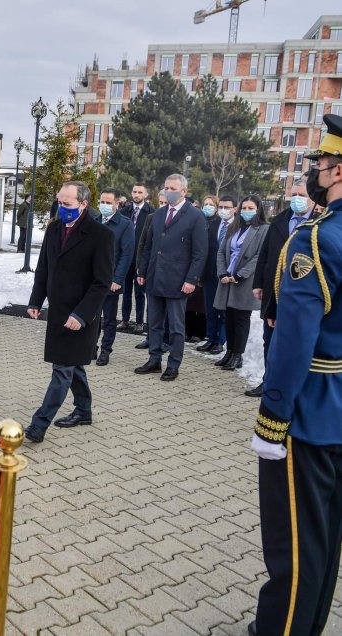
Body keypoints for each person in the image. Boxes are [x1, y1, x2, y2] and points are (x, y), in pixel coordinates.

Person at [249, 113, 342, 636]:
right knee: (326, 543)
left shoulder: (316, 239)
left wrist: (272, 416)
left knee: (295, 553)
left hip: (307, 411)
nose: (316, 174)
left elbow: (294, 339)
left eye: (324, 165)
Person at [23, 181, 114, 442]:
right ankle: (84, 410)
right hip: (58, 312)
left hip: (80, 316)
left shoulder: (100, 235)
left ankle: (39, 425)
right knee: (72, 365)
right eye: (59, 202)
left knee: (62, 370)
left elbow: (101, 283)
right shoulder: (54, 230)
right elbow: (44, 269)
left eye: (67, 204)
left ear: (83, 204)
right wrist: (35, 301)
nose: (61, 208)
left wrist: (81, 315)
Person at [246, 178, 317, 397]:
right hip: (273, 289)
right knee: (270, 339)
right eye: (293, 194)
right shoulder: (280, 219)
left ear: (312, 197)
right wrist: (258, 282)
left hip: (301, 291)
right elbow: (265, 253)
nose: (297, 199)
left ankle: (294, 388)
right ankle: (269, 382)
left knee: (295, 341)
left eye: (302, 195)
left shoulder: (320, 221)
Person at [135, 174, 207, 381]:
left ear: (183, 191)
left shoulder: (195, 216)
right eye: (166, 187)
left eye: (173, 188)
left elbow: (200, 253)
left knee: (176, 327)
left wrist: (191, 279)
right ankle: (154, 359)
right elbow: (149, 246)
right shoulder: (158, 215)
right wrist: (142, 271)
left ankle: (173, 364)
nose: (168, 191)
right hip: (155, 277)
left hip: (178, 281)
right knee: (154, 323)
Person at [212, 195, 269, 371]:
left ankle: (238, 355)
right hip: (227, 278)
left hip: (244, 280)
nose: (246, 212)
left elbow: (260, 256)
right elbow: (221, 251)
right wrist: (222, 272)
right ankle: (229, 352)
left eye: (250, 208)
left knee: (241, 318)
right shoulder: (233, 227)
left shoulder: (264, 229)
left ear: (258, 209)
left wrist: (239, 275)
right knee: (229, 317)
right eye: (244, 208)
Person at [96, 188, 134, 366]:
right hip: (92, 280)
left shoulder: (125, 224)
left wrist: (117, 279)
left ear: (117, 204)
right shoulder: (95, 221)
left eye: (108, 202)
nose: (104, 205)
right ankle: (91, 347)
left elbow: (126, 254)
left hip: (110, 280)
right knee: (92, 316)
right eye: (102, 202)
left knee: (109, 319)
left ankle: (105, 350)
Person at [118, 183, 154, 335]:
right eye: (134, 192)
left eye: (140, 192)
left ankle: (140, 322)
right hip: (126, 257)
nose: (136, 194)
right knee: (126, 291)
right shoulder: (125, 211)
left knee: (139, 292)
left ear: (146, 194)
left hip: (140, 259)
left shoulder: (151, 213)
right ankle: (125, 320)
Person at [196, 194, 227, 355]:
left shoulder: (226, 225)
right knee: (210, 309)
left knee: (222, 309)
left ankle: (220, 341)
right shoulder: (207, 224)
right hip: (208, 273)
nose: (208, 207)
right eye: (205, 204)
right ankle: (210, 337)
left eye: (211, 204)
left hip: (223, 273)